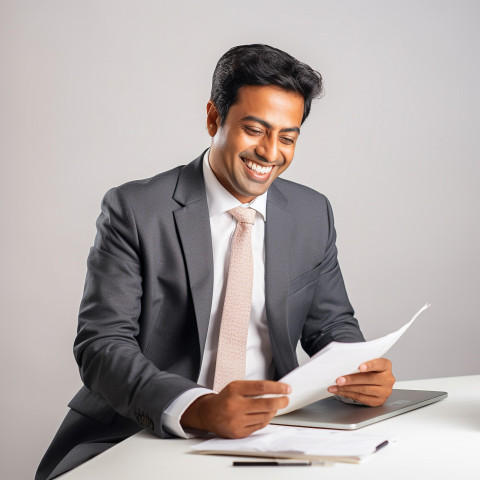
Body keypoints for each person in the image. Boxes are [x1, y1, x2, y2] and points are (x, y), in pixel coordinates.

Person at [35, 44, 395, 480]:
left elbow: (331, 325)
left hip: (273, 434)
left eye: (287, 137)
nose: (270, 152)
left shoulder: (311, 212)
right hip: (144, 430)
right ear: (213, 118)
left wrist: (359, 372)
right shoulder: (135, 209)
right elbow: (102, 345)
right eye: (254, 130)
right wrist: (197, 406)